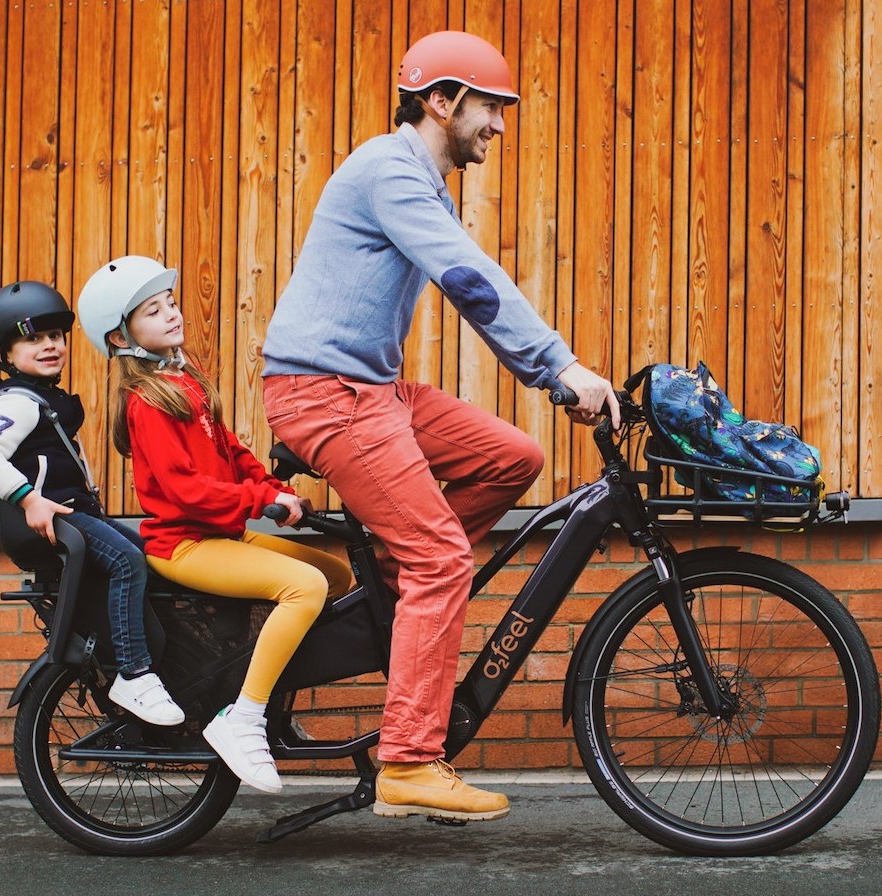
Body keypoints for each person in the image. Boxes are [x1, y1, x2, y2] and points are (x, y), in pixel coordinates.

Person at [260, 30, 621, 821]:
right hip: (327, 394)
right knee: (442, 560)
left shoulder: (419, 177)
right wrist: (559, 366)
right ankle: (410, 760)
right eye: (490, 107)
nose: (498, 125)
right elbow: (467, 278)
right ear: (441, 101)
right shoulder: (391, 170)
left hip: (373, 389)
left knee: (511, 457)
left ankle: (402, 587)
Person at [77, 256, 354, 794]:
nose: (171, 314)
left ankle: (264, 699)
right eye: (153, 311)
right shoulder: (145, 402)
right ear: (120, 335)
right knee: (307, 587)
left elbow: (231, 453)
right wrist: (257, 501)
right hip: (184, 545)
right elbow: (185, 492)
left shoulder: (185, 383)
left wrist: (271, 488)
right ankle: (242, 717)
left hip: (220, 534)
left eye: (171, 304)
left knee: (338, 579)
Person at [0, 279, 185, 728]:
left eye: (55, 337)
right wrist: (29, 501)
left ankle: (161, 664)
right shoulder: (19, 402)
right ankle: (135, 674)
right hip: (55, 519)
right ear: (5, 356)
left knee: (148, 553)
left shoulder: (46, 400)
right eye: (32, 339)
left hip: (74, 513)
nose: (49, 346)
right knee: (126, 560)